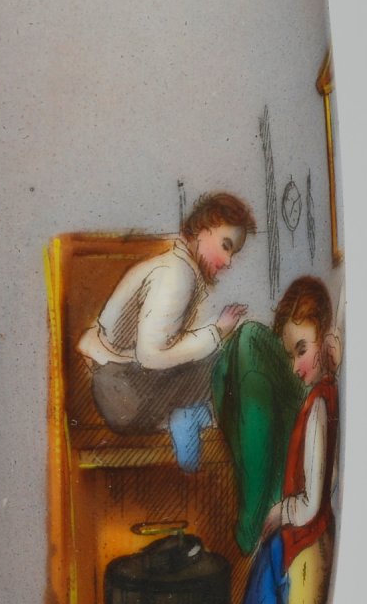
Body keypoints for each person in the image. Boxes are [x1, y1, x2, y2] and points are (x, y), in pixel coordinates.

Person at [78, 193, 256, 471]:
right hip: (126, 393)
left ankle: (193, 415)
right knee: (231, 360)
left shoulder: (178, 267)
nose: (228, 261)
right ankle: (192, 416)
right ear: (202, 230)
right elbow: (151, 355)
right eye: (225, 246)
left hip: (122, 389)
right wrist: (216, 331)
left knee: (225, 359)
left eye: (233, 253)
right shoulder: (176, 274)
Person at [249, 276, 340, 604]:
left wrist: (274, 515)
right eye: (289, 354)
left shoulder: (320, 407)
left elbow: (308, 504)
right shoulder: (315, 401)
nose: (295, 363)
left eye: (301, 349)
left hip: (307, 551)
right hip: (302, 551)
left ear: (324, 339)